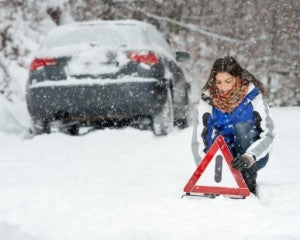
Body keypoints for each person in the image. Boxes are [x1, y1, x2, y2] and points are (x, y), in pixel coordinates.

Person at [191, 56, 274, 195]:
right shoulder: (207, 101)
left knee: (241, 127)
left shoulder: (253, 97)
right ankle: (226, 175)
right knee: (217, 137)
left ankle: (248, 179)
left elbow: (268, 134)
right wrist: (205, 168)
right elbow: (199, 139)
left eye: (228, 81)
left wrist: (249, 156)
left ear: (237, 78)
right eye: (219, 82)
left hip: (252, 158)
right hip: (223, 160)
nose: (223, 87)